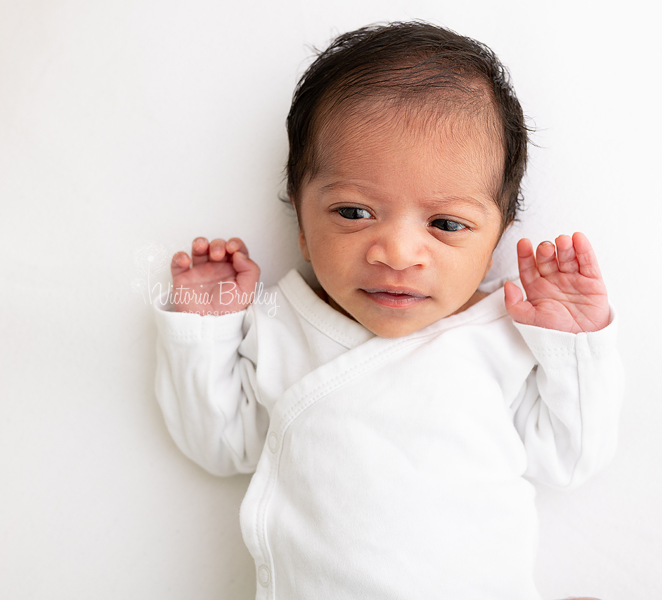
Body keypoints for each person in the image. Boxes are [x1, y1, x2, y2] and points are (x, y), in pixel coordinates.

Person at [153, 21, 623, 600]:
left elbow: (568, 458)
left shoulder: (500, 335)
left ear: (496, 241)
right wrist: (209, 321)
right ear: (301, 224)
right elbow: (221, 444)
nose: (397, 254)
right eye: (353, 213)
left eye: (447, 225)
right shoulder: (283, 323)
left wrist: (573, 345)